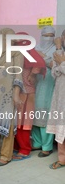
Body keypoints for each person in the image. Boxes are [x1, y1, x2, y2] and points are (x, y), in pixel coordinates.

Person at [0, 28, 24, 166]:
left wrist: (16, 94)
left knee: (7, 123)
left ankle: (6, 155)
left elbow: (18, 74)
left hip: (7, 93)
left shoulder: (17, 53)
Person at [13, 32, 46, 161]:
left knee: (24, 123)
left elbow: (39, 63)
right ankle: (18, 146)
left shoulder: (29, 53)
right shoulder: (18, 54)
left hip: (27, 92)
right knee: (17, 122)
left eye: (20, 42)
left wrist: (32, 74)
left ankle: (25, 150)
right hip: (18, 92)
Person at [32, 26, 56, 157]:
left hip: (48, 85)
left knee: (45, 114)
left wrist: (43, 58)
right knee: (34, 115)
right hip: (34, 84)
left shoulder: (57, 50)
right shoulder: (36, 48)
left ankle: (47, 146)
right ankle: (36, 143)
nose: (48, 38)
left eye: (51, 35)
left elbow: (55, 65)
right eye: (46, 35)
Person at [47, 39, 65, 169]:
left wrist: (62, 63)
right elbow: (54, 73)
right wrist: (60, 64)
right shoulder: (60, 53)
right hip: (60, 96)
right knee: (60, 126)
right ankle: (62, 158)